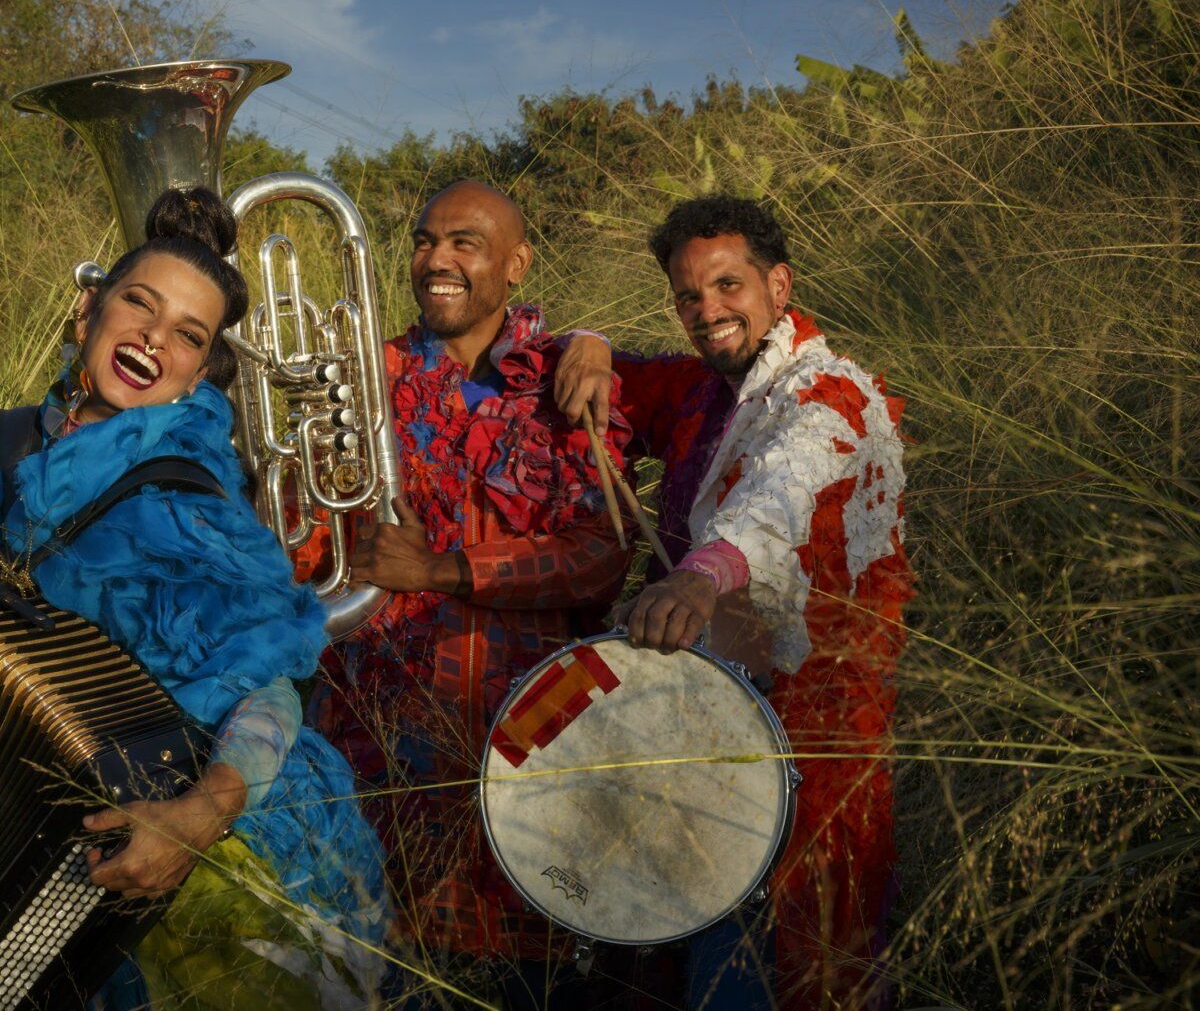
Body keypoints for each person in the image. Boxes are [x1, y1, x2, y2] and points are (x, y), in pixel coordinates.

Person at [0, 187, 388, 1010]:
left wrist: (200, 817)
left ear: (199, 371)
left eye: (188, 334)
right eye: (139, 304)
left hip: (195, 828)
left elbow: (269, 688)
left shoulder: (198, 510)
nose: (155, 338)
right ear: (88, 309)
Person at [554, 194, 913, 1009]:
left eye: (727, 286)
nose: (707, 311)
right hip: (707, 730)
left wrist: (702, 574)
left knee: (793, 959)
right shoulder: (705, 388)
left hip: (808, 738)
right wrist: (591, 341)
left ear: (778, 286)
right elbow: (618, 379)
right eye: (688, 296)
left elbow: (781, 496)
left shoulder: (830, 392)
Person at [307, 180, 634, 1005]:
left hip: (531, 740)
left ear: (516, 264)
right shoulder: (362, 373)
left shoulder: (567, 381)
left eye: (465, 243)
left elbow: (600, 558)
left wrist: (445, 571)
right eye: (425, 241)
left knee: (526, 981)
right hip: (374, 742)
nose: (437, 260)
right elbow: (304, 546)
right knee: (368, 971)